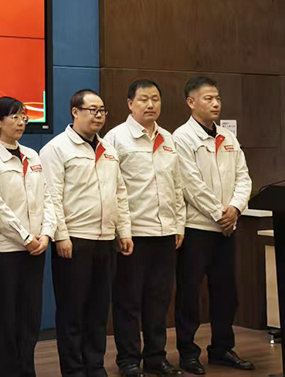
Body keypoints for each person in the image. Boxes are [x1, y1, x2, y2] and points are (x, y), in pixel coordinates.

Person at [41, 89, 133, 377]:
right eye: (92, 110)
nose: (99, 116)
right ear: (75, 112)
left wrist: (123, 232)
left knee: (98, 310)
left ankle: (95, 366)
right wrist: (61, 236)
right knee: (72, 311)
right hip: (74, 240)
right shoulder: (57, 149)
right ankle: (73, 370)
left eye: (102, 110)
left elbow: (120, 193)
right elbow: (51, 196)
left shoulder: (109, 150)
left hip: (105, 240)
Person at [104, 80, 186, 377]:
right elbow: (111, 188)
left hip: (165, 232)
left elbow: (177, 186)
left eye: (155, 99)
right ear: (130, 103)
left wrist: (179, 224)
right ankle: (128, 360)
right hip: (133, 234)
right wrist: (121, 232)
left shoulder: (168, 138)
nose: (150, 105)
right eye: (143, 99)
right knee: (128, 301)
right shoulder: (115, 138)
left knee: (158, 300)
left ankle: (156, 357)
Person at [173, 76, 254, 373]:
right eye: (208, 98)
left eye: (217, 98)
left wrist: (235, 208)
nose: (216, 103)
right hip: (197, 229)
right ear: (191, 102)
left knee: (226, 293)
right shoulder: (181, 138)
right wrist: (220, 214)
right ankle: (187, 352)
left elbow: (244, 177)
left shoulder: (228, 137)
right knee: (189, 293)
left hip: (226, 229)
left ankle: (221, 348)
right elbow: (190, 185)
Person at [0, 96, 55, 377]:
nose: (21, 121)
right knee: (4, 319)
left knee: (29, 317)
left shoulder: (32, 156)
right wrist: (25, 237)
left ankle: (26, 370)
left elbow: (47, 197)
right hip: (3, 251)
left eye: (24, 116)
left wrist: (46, 234)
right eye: (14, 116)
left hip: (35, 248)